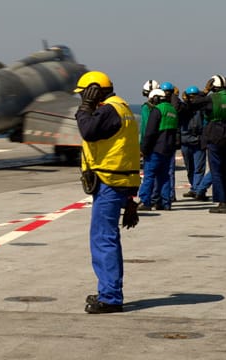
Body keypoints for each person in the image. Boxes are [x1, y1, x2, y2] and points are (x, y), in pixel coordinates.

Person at [74, 71, 141, 314]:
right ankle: (109, 290)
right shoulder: (122, 108)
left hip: (109, 182)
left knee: (103, 239)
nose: (82, 97)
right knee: (107, 238)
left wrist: (85, 108)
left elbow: (87, 131)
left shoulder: (108, 110)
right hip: (119, 181)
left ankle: (111, 297)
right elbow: (128, 153)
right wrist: (132, 199)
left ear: (94, 91)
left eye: (84, 93)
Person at [190, 74, 226, 213]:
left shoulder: (211, 98)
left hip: (214, 134)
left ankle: (222, 203)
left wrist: (204, 91)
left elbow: (193, 104)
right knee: (225, 170)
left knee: (216, 171)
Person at [138, 88, 178, 211]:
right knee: (164, 176)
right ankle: (165, 203)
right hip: (169, 149)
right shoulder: (173, 110)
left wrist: (143, 148)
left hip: (155, 149)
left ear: (156, 98)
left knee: (149, 175)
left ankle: (145, 202)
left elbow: (150, 132)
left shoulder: (157, 110)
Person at [179, 86, 207, 198]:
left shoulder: (203, 108)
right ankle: (194, 187)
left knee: (199, 168)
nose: (192, 99)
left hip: (198, 141)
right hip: (186, 141)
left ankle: (197, 189)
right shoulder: (183, 108)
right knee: (190, 167)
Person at [160, 81, 182, 203]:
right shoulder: (174, 106)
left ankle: (166, 195)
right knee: (169, 170)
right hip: (171, 140)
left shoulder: (162, 107)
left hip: (162, 142)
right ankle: (170, 195)